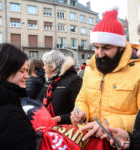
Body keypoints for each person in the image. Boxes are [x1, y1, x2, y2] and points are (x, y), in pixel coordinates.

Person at [70, 6, 140, 143]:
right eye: (96, 47)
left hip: (121, 142)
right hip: (90, 142)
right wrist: (80, 113)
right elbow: (82, 99)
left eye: (106, 48)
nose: (100, 54)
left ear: (120, 46)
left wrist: (109, 124)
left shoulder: (138, 69)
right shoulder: (90, 68)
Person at [0, 43, 39, 150]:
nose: (27, 76)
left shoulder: (0, 100)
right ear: (4, 71)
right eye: (22, 71)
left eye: (26, 70)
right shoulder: (8, 114)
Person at [39, 50, 82, 124]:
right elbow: (40, 100)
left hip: (66, 129)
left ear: (52, 67)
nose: (43, 68)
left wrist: (61, 118)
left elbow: (80, 110)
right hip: (48, 126)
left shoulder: (75, 80)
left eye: (45, 65)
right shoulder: (50, 81)